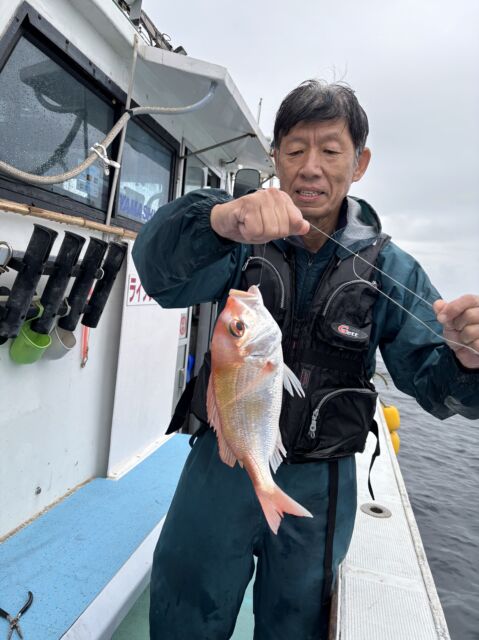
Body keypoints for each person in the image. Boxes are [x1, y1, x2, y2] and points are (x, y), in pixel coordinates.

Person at [132, 80, 479, 640]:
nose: (310, 167)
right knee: (184, 605)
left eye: (331, 150)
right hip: (225, 461)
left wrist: (466, 362)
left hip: (322, 479)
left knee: (297, 623)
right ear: (276, 157)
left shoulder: (391, 268)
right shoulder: (238, 233)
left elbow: (437, 387)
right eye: (294, 150)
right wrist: (219, 221)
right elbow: (158, 274)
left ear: (360, 163)